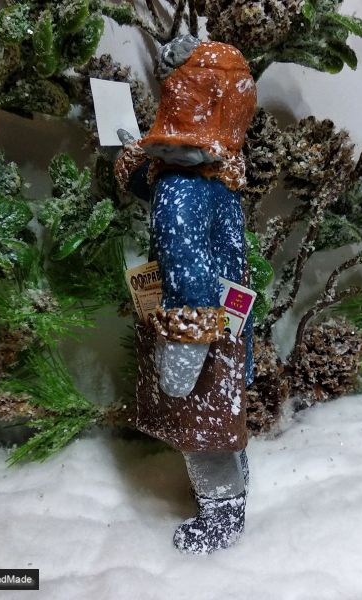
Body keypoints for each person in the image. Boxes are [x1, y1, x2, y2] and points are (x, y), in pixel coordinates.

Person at [115, 34, 257, 554]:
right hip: (229, 320)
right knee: (223, 411)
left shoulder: (182, 188)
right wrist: (134, 159)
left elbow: (188, 267)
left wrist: (183, 347)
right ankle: (237, 481)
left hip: (198, 329)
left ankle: (223, 510)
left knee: (202, 424)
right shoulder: (221, 176)